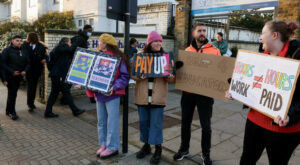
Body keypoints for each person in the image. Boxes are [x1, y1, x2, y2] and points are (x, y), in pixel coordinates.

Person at [226, 20, 300, 165]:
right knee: (246, 160)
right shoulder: (261, 55)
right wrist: (235, 88)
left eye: (262, 33)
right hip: (255, 120)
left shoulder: (297, 56)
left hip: (284, 129)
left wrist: (290, 114)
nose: (259, 38)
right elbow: (255, 83)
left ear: (274, 35)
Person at [173, 22, 221, 165]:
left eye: (204, 31)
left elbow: (219, 73)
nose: (202, 33)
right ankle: (184, 149)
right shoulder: (187, 51)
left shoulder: (215, 50)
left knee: (206, 126)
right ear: (194, 33)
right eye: (199, 30)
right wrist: (176, 69)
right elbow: (178, 77)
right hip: (188, 93)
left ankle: (206, 154)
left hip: (205, 94)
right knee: (185, 123)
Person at [132, 31, 175, 164]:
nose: (158, 43)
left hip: (158, 97)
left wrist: (169, 75)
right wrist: (139, 76)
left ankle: (158, 149)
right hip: (143, 97)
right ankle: (146, 146)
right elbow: (132, 74)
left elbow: (172, 78)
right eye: (155, 41)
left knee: (156, 124)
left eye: (160, 41)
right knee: (144, 123)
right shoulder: (139, 57)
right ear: (150, 43)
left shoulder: (166, 58)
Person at [92, 34, 129, 159]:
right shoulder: (97, 56)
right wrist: (83, 83)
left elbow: (124, 77)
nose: (98, 43)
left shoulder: (118, 58)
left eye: (100, 41)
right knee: (101, 122)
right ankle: (104, 144)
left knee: (111, 122)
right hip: (99, 94)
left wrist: (114, 87)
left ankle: (112, 147)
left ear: (106, 43)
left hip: (112, 95)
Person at [44, 37, 85, 118]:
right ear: (65, 43)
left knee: (54, 94)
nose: (70, 45)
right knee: (66, 92)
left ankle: (48, 112)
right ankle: (75, 110)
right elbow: (69, 49)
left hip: (56, 75)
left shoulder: (58, 50)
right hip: (59, 75)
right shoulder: (60, 48)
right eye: (70, 43)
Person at [1, 35, 30, 120]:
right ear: (12, 41)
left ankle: (8, 110)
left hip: (19, 77)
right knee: (13, 94)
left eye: (21, 40)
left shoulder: (24, 51)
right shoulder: (7, 51)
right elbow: (2, 64)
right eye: (17, 40)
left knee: (12, 94)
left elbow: (28, 63)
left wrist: (25, 70)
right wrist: (11, 72)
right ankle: (12, 112)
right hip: (10, 76)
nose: (19, 42)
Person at [22, 32, 47, 112]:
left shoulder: (41, 46)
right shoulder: (24, 45)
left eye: (28, 37)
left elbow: (45, 56)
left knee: (34, 86)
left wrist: (44, 59)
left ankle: (31, 103)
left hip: (37, 69)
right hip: (28, 70)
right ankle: (30, 104)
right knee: (30, 87)